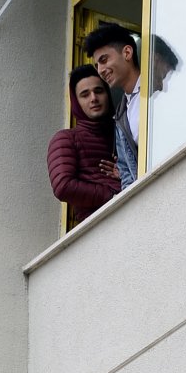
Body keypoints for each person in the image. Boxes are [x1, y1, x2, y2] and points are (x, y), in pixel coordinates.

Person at [46, 66, 120, 226]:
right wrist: (113, 194)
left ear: (108, 93)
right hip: (96, 229)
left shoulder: (124, 130)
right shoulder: (66, 139)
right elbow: (63, 186)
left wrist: (125, 176)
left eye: (99, 91)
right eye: (85, 95)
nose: (93, 98)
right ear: (76, 102)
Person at [83, 22, 141, 189]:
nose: (101, 70)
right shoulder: (121, 113)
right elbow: (126, 175)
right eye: (97, 65)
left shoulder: (157, 92)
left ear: (127, 52)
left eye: (104, 60)